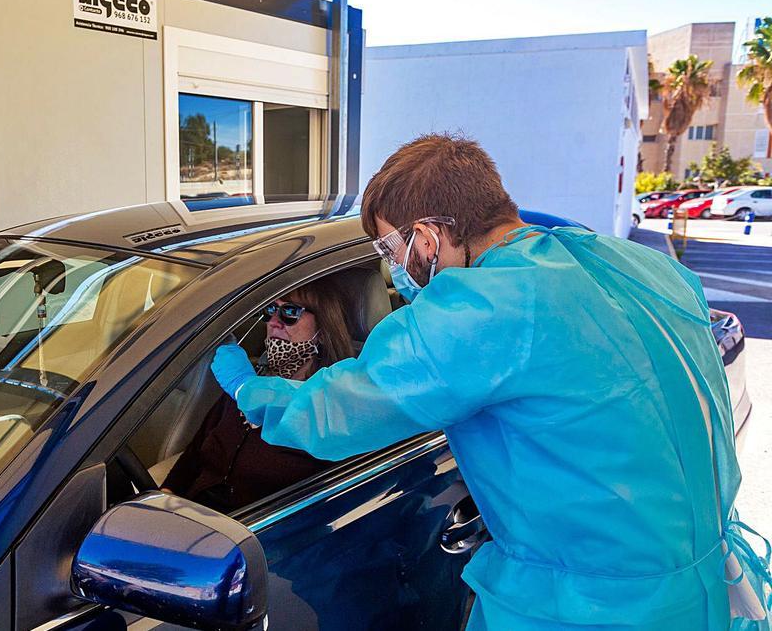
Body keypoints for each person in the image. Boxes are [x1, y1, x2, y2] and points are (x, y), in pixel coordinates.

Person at [210, 134, 772, 630]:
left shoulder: (480, 308)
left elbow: (332, 413)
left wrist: (247, 388)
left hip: (587, 609)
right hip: (703, 590)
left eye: (391, 249)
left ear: (427, 238)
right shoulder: (636, 262)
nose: (394, 268)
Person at [161, 274, 366, 513]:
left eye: (290, 312)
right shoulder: (248, 381)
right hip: (191, 518)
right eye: (270, 310)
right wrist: (165, 496)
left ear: (321, 328)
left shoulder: (332, 404)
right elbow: (193, 457)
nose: (274, 322)